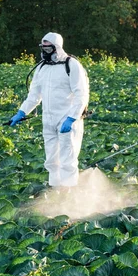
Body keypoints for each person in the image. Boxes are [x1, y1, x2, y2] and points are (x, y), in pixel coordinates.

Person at [10, 32, 90, 187]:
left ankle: (69, 193)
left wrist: (72, 118)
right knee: (52, 160)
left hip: (67, 119)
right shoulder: (42, 68)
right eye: (43, 48)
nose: (45, 52)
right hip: (48, 120)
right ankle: (55, 190)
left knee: (68, 159)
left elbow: (82, 93)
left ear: (57, 48)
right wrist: (22, 112)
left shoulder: (71, 65)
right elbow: (34, 95)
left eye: (48, 49)